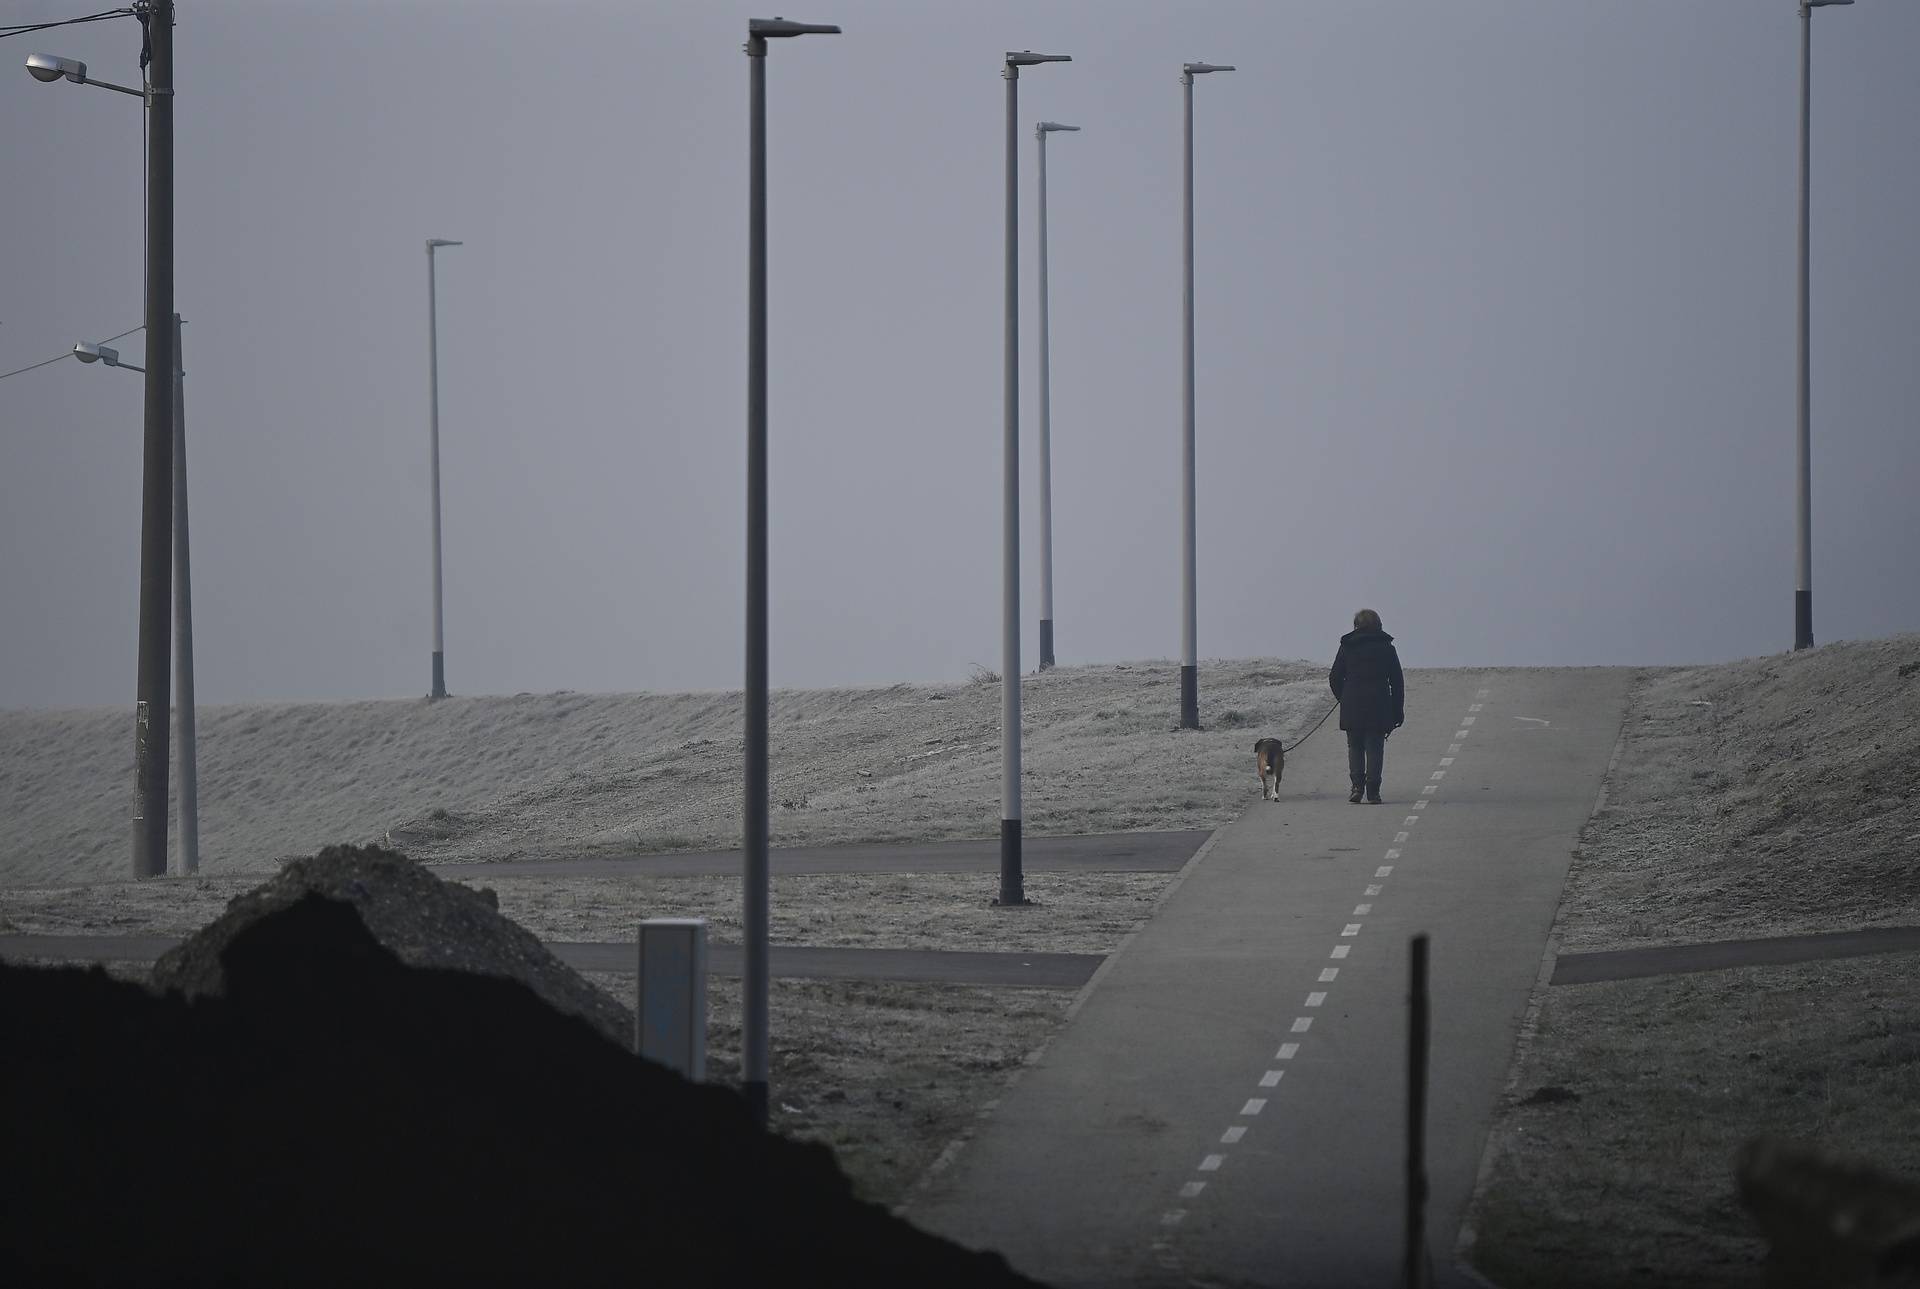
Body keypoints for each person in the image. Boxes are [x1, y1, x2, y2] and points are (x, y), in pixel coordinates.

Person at [1329, 608, 1404, 805]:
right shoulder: (1387, 648)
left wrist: (1343, 698)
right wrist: (1397, 710)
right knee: (1375, 747)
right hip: (1379, 704)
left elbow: (1335, 677)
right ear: (1378, 625)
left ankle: (1357, 787)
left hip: (1352, 702)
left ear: (1356, 626)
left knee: (1354, 746)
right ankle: (1373, 791)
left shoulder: (1347, 646)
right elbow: (1397, 681)